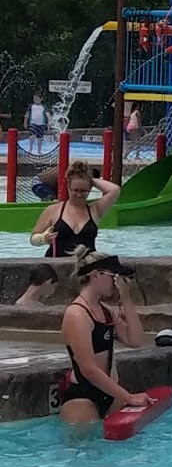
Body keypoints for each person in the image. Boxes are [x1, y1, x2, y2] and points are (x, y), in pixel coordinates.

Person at [57, 249, 151, 425]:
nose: (116, 283)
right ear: (95, 275)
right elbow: (88, 369)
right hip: (83, 398)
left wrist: (126, 298)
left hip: (111, 395)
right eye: (112, 276)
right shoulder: (77, 315)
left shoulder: (106, 311)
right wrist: (128, 397)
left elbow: (136, 340)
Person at [29, 159, 122, 257]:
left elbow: (115, 190)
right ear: (68, 187)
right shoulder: (53, 210)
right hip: (56, 264)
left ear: (90, 189)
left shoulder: (95, 210)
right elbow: (33, 238)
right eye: (75, 190)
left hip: (87, 265)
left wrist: (89, 180)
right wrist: (43, 239)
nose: (79, 194)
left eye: (83, 191)